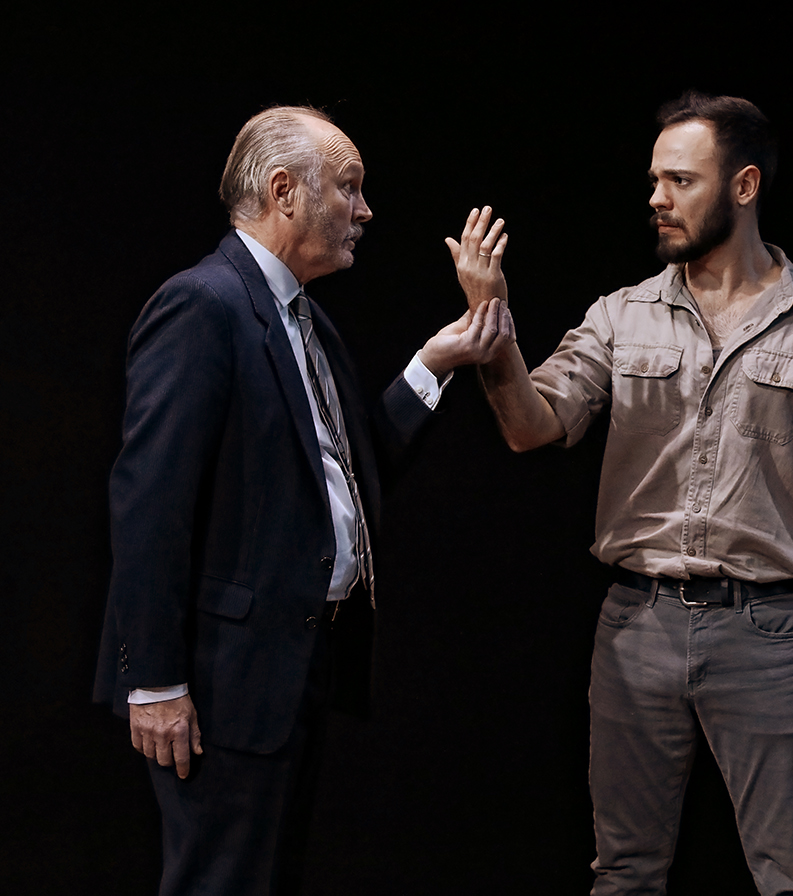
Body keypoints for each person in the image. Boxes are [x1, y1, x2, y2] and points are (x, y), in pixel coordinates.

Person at [446, 92, 793, 895]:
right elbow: (532, 425)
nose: (657, 197)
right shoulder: (622, 315)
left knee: (791, 875)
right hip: (636, 627)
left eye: (680, 180)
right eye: (654, 179)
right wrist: (492, 318)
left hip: (769, 632)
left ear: (744, 186)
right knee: (624, 873)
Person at [92, 105, 512, 896]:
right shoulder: (204, 307)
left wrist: (435, 361)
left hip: (288, 676)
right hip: (218, 687)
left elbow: (352, 474)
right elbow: (149, 506)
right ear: (285, 192)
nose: (365, 211)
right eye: (348, 189)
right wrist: (154, 683)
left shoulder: (304, 318)